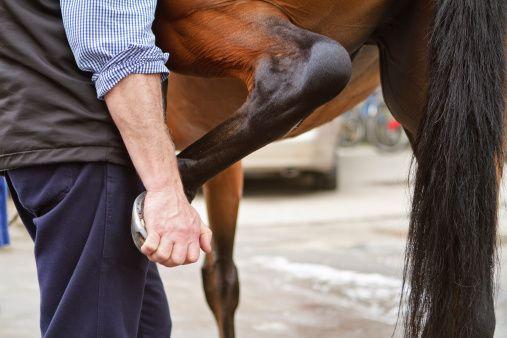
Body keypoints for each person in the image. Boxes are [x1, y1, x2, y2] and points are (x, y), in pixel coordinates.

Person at [0, 1, 212, 337]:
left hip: (38, 148)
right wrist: (165, 189)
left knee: (147, 327)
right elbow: (117, 46)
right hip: (84, 150)